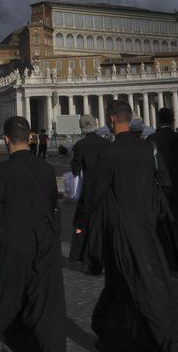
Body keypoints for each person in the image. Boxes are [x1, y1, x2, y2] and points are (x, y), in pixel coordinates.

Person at [85, 101, 178, 351]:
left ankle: (167, 342)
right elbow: (163, 184)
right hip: (147, 226)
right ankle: (114, 335)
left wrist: (83, 227)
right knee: (126, 283)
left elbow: (93, 195)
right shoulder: (146, 149)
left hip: (121, 230)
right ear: (130, 120)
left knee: (141, 285)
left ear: (110, 120)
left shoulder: (109, 153)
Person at [0, 116, 66, 352]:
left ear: (5, 140)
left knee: (1, 302)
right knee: (45, 309)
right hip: (44, 247)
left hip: (14, 249)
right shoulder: (47, 169)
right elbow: (54, 209)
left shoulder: (1, 171)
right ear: (30, 138)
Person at [148, 108, 178, 279]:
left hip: (159, 192)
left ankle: (167, 264)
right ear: (173, 120)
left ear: (158, 120)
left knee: (161, 230)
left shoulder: (151, 140)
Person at [69, 114, 110, 269]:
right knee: (103, 225)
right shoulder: (107, 144)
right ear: (96, 125)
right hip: (105, 191)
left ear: (81, 127)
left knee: (85, 226)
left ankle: (89, 258)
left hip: (88, 192)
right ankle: (104, 257)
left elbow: (75, 171)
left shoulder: (80, 145)